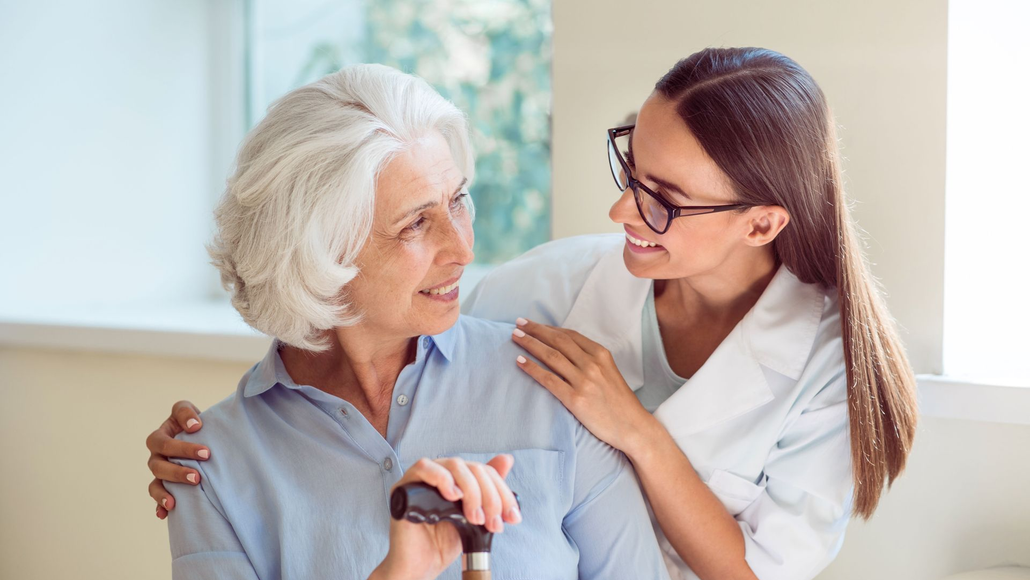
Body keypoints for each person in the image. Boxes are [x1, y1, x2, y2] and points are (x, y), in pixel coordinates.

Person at [147, 48, 918, 580]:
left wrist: (635, 430)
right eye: (630, 168)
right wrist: (218, 440)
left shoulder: (824, 364)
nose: (623, 209)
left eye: (666, 200)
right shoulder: (540, 301)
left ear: (761, 224)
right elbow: (355, 335)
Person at [153, 63, 671, 580]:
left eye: (457, 201)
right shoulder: (210, 464)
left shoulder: (557, 386)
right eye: (416, 222)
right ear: (317, 252)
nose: (463, 248)